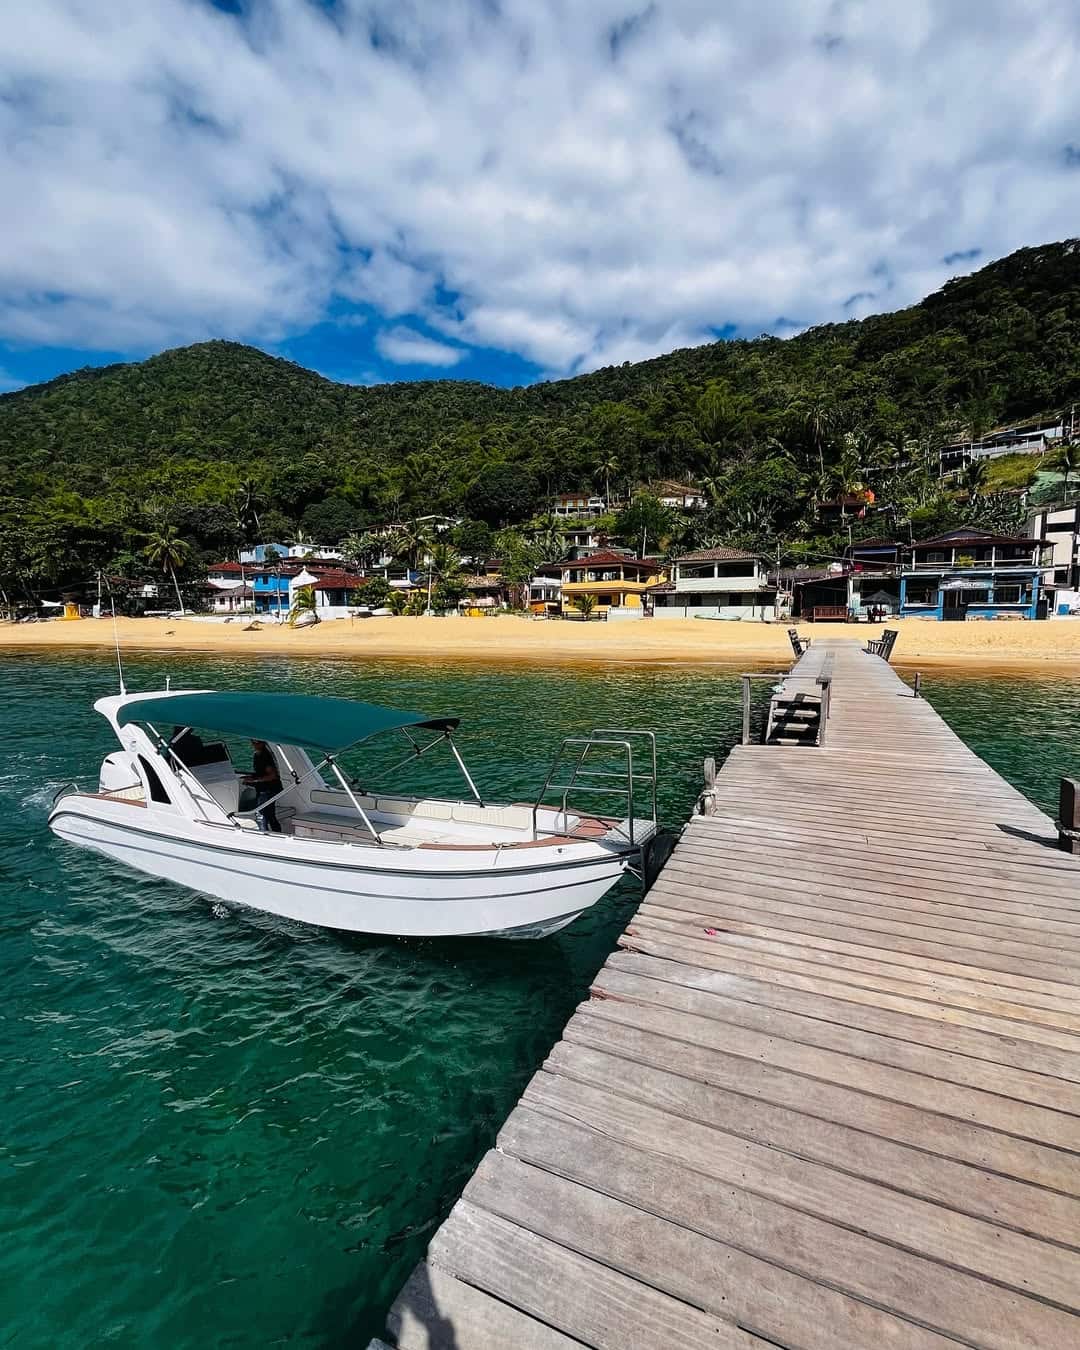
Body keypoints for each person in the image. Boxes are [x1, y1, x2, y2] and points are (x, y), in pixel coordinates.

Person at [244, 739, 283, 833]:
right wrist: (251, 777)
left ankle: (263, 835)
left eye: (256, 743)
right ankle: (278, 834)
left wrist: (254, 780)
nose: (253, 744)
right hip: (268, 788)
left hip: (268, 789)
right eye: (252, 742)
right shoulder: (258, 754)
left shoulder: (265, 756)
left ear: (262, 743)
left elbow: (272, 775)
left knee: (260, 814)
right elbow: (262, 772)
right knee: (270, 814)